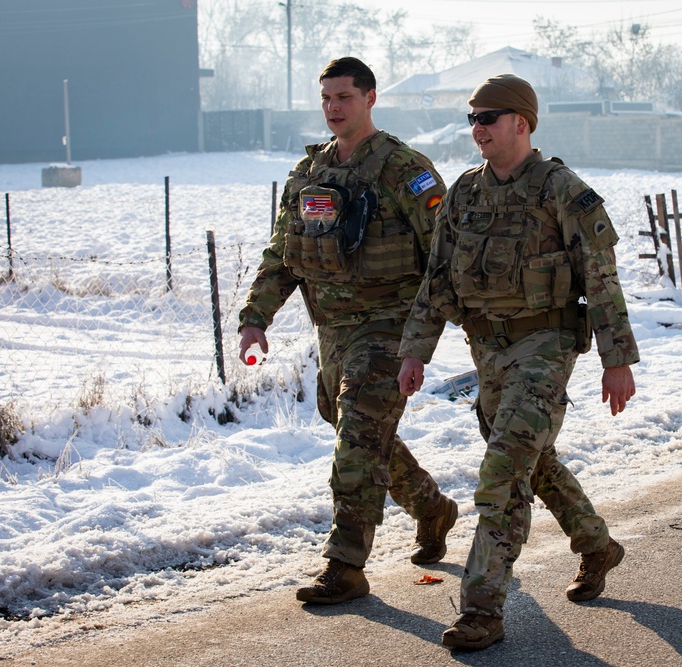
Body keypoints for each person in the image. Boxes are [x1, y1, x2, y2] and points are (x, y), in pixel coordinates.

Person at [397, 74, 639, 650]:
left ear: (521, 124)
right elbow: (436, 279)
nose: (476, 129)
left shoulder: (562, 190)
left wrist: (617, 360)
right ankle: (596, 544)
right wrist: (415, 350)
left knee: (504, 470)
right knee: (532, 459)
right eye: (472, 119)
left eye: (488, 118)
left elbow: (601, 280)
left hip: (546, 346)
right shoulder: (463, 193)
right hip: (486, 349)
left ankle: (482, 609)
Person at [238, 57, 458, 605]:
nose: (334, 109)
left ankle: (346, 565)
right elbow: (282, 251)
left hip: (390, 325)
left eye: (345, 98)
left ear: (371, 98)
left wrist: (432, 334)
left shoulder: (405, 169)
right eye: (327, 99)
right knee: (352, 425)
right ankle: (432, 507)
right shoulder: (310, 174)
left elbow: (448, 253)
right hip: (333, 327)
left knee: (358, 435)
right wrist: (254, 318)